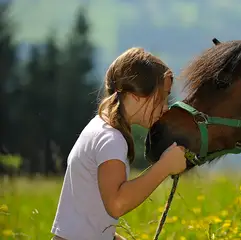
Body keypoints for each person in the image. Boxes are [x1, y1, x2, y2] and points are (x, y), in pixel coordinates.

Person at [51, 47, 187, 240]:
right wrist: (164, 166)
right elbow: (116, 204)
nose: (165, 107)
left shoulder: (99, 126)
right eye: (160, 98)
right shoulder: (111, 139)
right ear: (136, 96)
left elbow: (88, 211)